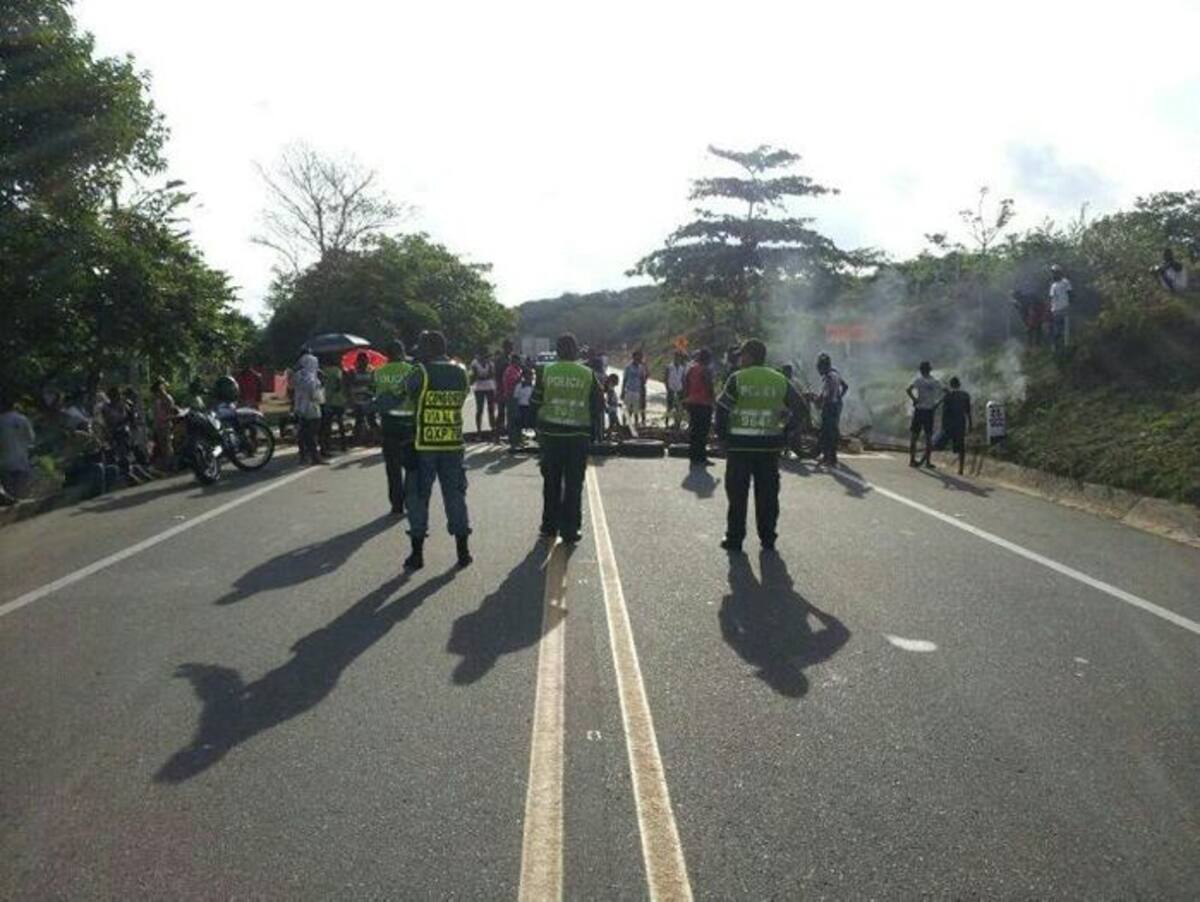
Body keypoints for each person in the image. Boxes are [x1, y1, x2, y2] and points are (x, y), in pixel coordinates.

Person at [715, 339, 801, 553]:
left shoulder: (737, 379)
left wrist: (723, 438)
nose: (740, 358)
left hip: (739, 449)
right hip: (769, 449)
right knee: (768, 496)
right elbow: (800, 408)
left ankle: (735, 539)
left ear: (751, 356)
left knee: (737, 496)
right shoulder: (779, 380)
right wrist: (785, 432)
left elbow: (722, 409)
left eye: (742, 354)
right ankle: (768, 538)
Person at [399, 330, 472, 570]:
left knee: (418, 498)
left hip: (424, 445)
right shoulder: (461, 373)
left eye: (421, 349)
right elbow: (461, 400)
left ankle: (417, 555)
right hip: (452, 443)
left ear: (429, 349)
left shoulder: (419, 373)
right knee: (455, 496)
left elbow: (406, 396)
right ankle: (463, 552)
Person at [532, 333, 603, 543]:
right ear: (575, 350)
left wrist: (539, 426)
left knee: (551, 482)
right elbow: (599, 405)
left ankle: (549, 526)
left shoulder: (545, 371)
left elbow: (535, 401)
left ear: (557, 351)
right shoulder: (587, 374)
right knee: (573, 484)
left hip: (550, 437)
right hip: (577, 437)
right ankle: (570, 530)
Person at [373, 340, 417, 515]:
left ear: (387, 355)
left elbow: (376, 399)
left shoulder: (378, 373)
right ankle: (410, 500)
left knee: (392, 467)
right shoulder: (411, 370)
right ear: (402, 352)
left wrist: (374, 423)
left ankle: (396, 504)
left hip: (388, 424)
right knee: (411, 467)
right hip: (408, 423)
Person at [813, 353, 849, 467]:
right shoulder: (835, 373)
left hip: (830, 407)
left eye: (819, 366)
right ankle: (828, 457)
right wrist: (839, 397)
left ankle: (830, 459)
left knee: (828, 432)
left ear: (823, 366)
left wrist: (820, 401)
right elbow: (845, 386)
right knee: (830, 431)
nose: (818, 369)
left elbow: (827, 395)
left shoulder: (829, 376)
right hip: (836, 405)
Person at [907, 361, 944, 469]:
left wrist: (915, 400)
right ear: (930, 370)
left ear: (921, 370)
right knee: (928, 437)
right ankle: (927, 462)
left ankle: (912, 460)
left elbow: (908, 390)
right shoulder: (934, 381)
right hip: (929, 411)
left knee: (914, 436)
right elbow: (945, 392)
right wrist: (937, 403)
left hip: (919, 411)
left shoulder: (918, 380)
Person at [0, 393, 36, 500]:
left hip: (4, 463)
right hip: (22, 460)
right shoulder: (22, 419)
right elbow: (31, 438)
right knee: (21, 490)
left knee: (10, 493)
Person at [683, 348, 716, 465]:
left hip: (692, 403)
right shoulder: (705, 370)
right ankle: (701, 457)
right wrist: (714, 400)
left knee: (694, 431)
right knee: (702, 432)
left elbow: (685, 383)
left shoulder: (691, 369)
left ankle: (693, 457)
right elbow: (709, 386)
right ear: (706, 359)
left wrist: (686, 399)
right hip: (704, 404)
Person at [293, 352, 324, 465]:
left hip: (300, 407)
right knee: (312, 433)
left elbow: (294, 388)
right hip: (312, 408)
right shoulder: (312, 378)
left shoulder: (298, 375)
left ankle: (303, 456)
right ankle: (315, 457)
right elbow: (314, 394)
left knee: (302, 433)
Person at [939, 376, 973, 475]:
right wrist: (970, 425)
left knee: (938, 443)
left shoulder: (948, 396)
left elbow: (945, 412)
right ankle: (960, 469)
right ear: (959, 385)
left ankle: (926, 460)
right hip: (960, 423)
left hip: (950, 424)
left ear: (951, 385)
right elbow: (968, 412)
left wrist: (943, 425)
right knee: (961, 447)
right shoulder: (965, 395)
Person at [319, 356, 348, 455]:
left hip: (327, 400)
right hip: (338, 400)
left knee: (327, 424)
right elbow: (339, 384)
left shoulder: (322, 371)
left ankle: (327, 444)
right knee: (340, 423)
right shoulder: (337, 370)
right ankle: (344, 445)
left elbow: (321, 385)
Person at [349, 352, 378, 445]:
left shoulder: (372, 371)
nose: (363, 362)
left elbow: (375, 385)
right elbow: (351, 385)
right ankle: (358, 440)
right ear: (358, 361)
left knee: (371, 420)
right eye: (361, 360)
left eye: (365, 359)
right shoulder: (353, 372)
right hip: (357, 400)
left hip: (369, 399)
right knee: (359, 421)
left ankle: (373, 439)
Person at [469, 349, 497, 439]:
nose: (484, 358)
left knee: (491, 409)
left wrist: (482, 376)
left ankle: (493, 430)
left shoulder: (490, 363)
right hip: (479, 387)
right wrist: (481, 376)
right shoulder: (474, 363)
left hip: (489, 386)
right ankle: (479, 431)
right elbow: (473, 376)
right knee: (479, 409)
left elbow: (492, 374)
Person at [151, 378, 177, 471]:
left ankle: (171, 465)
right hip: (159, 426)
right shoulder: (157, 401)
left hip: (166, 424)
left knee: (168, 446)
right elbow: (156, 415)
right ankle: (168, 465)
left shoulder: (167, 398)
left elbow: (171, 410)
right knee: (163, 447)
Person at [1048, 264, 1073, 352]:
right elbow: (1051, 298)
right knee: (1056, 330)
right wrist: (1051, 309)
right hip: (1055, 310)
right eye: (1053, 273)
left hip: (1065, 308)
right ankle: (1056, 348)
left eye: (1055, 273)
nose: (1054, 275)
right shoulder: (1053, 285)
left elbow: (1070, 294)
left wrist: (1070, 305)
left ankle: (1066, 346)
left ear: (1059, 273)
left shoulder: (1065, 282)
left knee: (1066, 329)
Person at [622, 350, 648, 428]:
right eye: (638, 356)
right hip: (629, 390)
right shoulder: (628, 367)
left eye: (640, 357)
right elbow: (625, 379)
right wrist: (622, 391)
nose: (639, 358)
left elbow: (643, 380)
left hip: (637, 391)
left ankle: (636, 425)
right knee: (627, 410)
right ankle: (625, 424)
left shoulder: (641, 368)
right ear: (634, 357)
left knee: (636, 410)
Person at [503, 353, 524, 447]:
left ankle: (518, 439)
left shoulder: (517, 369)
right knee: (512, 419)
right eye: (518, 360)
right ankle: (513, 441)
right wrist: (521, 377)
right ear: (514, 361)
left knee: (518, 419)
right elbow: (514, 381)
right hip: (511, 397)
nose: (520, 362)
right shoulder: (510, 370)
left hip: (517, 397)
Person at [493, 340, 514, 434]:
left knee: (509, 413)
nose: (512, 349)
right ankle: (497, 435)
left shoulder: (509, 358)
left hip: (509, 388)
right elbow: (497, 374)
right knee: (501, 413)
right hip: (501, 388)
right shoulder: (500, 359)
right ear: (505, 348)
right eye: (510, 347)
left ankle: (506, 432)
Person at [664, 350, 688, 431]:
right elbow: (666, 378)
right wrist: (668, 388)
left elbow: (683, 380)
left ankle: (677, 424)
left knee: (679, 408)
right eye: (676, 357)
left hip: (679, 390)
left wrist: (684, 390)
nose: (677, 358)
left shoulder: (682, 368)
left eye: (679, 357)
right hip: (671, 389)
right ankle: (666, 424)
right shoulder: (669, 367)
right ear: (674, 357)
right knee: (669, 408)